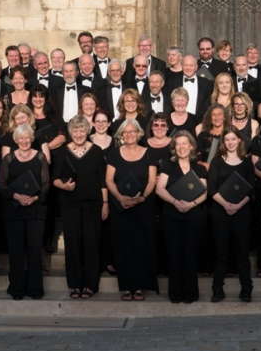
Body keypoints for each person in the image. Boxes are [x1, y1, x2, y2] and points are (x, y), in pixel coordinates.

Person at [54, 116, 108, 299]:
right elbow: (54, 178)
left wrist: (105, 203)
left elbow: (103, 181)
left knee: (91, 244)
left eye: (82, 130)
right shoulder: (62, 152)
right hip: (70, 205)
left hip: (93, 204)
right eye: (75, 130)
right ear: (70, 132)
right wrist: (64, 186)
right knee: (72, 244)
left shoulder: (97, 151)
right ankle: (75, 284)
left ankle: (90, 285)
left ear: (87, 131)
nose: (78, 134)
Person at [105, 119, 158, 300]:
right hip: (121, 208)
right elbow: (109, 180)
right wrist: (121, 198)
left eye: (132, 132)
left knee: (141, 246)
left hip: (143, 207)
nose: (129, 135)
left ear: (139, 134)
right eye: (125, 132)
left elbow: (152, 180)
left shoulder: (148, 153)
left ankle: (140, 287)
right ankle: (127, 287)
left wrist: (142, 197)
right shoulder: (114, 154)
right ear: (121, 135)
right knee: (124, 247)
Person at [0, 124, 51, 300]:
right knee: (16, 251)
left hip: (36, 210)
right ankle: (17, 288)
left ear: (31, 138)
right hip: (14, 210)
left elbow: (46, 184)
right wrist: (17, 196)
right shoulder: (9, 159)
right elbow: (1, 185)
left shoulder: (40, 157)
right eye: (20, 138)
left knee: (34, 249)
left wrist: (35, 198)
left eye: (27, 138)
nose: (24, 141)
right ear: (16, 140)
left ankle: (35, 288)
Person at [156, 130, 208, 304]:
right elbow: (159, 189)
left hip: (194, 215)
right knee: (174, 254)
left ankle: (191, 293)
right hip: (172, 215)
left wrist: (191, 205)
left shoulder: (199, 168)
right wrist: (175, 202)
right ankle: (175, 294)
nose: (181, 147)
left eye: (184, 143)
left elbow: (205, 192)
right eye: (178, 144)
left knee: (191, 253)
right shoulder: (168, 166)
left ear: (191, 146)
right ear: (174, 148)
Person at [206, 130, 255, 302]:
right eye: (227, 139)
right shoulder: (217, 162)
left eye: (233, 139)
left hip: (242, 212)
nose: (230, 142)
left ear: (239, 141)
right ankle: (217, 290)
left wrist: (237, 206)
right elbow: (211, 189)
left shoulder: (247, 163)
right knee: (221, 253)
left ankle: (246, 290)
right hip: (220, 212)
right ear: (223, 142)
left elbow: (251, 189)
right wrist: (226, 205)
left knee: (242, 253)